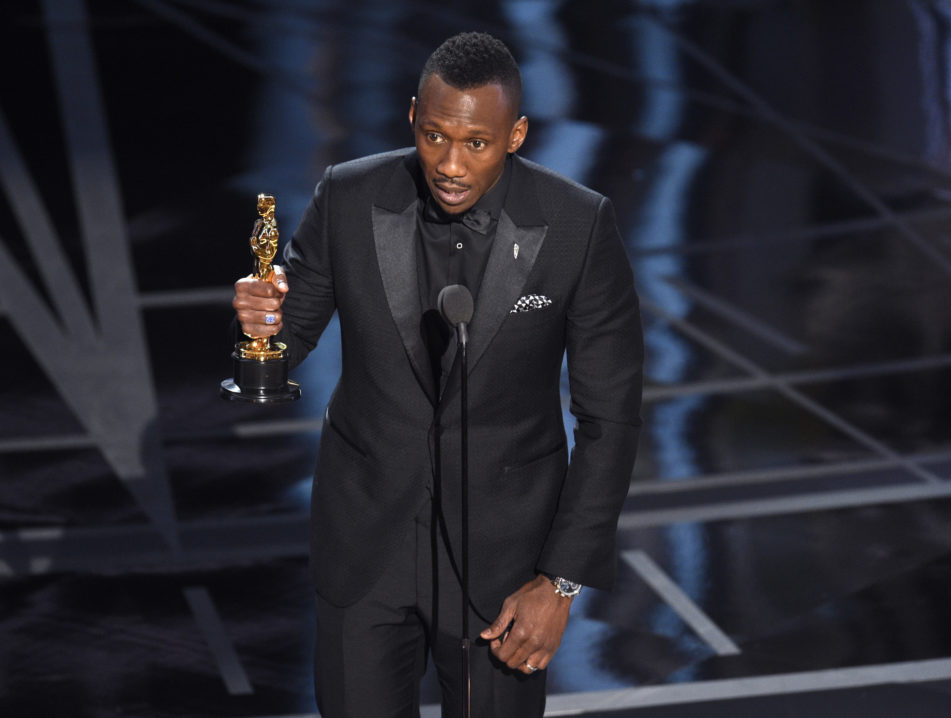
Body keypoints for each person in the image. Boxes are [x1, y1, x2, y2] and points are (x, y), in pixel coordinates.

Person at [233, 31, 643, 718]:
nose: (450, 163)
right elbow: (284, 340)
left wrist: (559, 584)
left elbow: (611, 419)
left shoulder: (577, 226)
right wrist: (257, 328)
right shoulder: (349, 196)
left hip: (505, 574)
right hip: (365, 555)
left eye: (475, 143)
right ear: (412, 119)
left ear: (515, 135)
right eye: (433, 136)